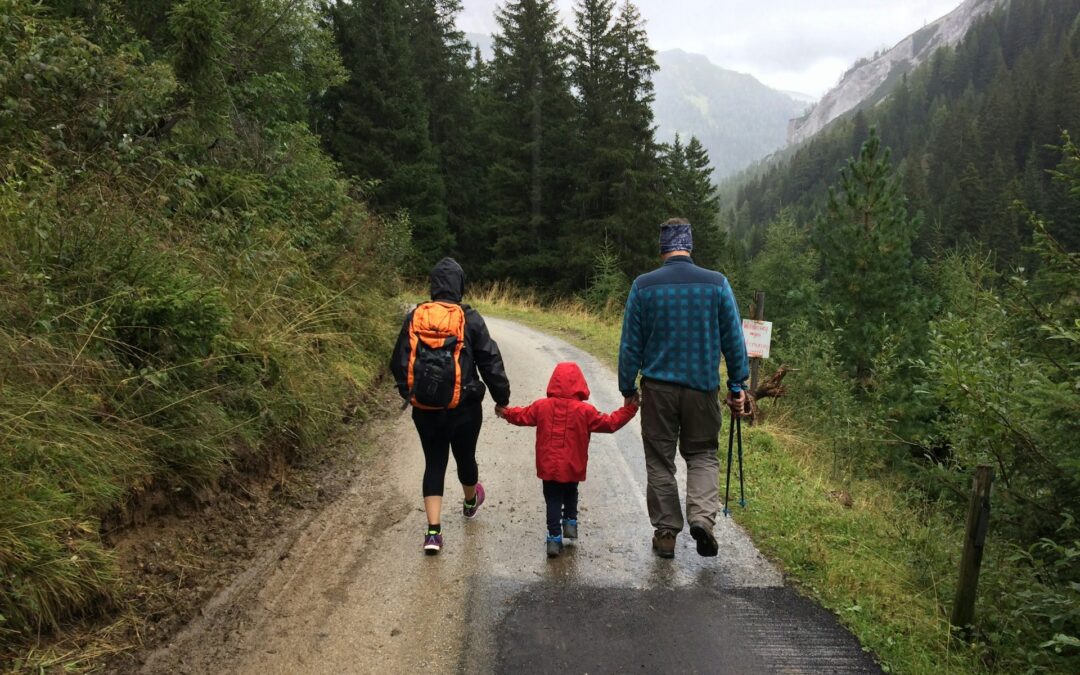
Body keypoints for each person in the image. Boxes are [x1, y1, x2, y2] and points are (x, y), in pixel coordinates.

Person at [617, 218, 750, 559]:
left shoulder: (643, 287)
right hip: (702, 388)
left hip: (658, 390)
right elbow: (734, 341)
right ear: (689, 245)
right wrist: (738, 385)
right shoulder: (717, 284)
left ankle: (665, 533)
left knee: (660, 461)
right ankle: (702, 519)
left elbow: (630, 345)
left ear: (662, 247)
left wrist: (627, 385)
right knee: (703, 453)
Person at [390, 258, 511, 554]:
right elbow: (490, 361)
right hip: (464, 408)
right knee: (465, 458)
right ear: (460, 286)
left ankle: (433, 532)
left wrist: (413, 394)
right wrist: (502, 398)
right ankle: (471, 501)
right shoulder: (469, 318)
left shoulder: (415, 316)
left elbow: (398, 362)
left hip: (425, 410)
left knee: (434, 463)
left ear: (433, 285)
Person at [499, 362, 638, 558]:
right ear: (580, 384)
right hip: (573, 464)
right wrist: (630, 410)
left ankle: (554, 538)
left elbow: (522, 416)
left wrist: (505, 412)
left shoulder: (541, 406)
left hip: (548, 465)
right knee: (571, 490)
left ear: (553, 382)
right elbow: (610, 423)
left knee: (553, 499)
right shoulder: (586, 411)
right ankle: (570, 522)